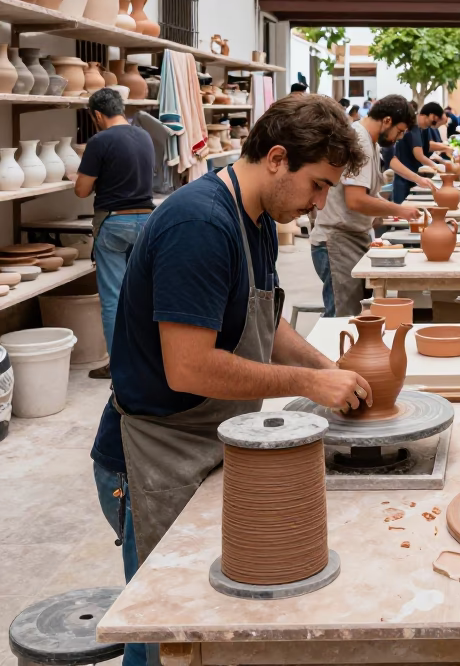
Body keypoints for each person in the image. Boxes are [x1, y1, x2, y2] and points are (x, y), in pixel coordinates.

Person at [90, 94, 372, 666]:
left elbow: (261, 324)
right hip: (155, 449)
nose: (320, 203)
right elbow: (188, 366)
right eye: (318, 185)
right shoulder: (201, 224)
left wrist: (327, 367)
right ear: (275, 158)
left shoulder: (260, 218)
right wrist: (311, 387)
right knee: (165, 627)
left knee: (210, 619)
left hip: (210, 435)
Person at [311, 95, 421, 316]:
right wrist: (400, 210)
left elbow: (363, 195)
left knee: (353, 315)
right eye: (399, 131)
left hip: (352, 237)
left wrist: (383, 213)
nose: (399, 138)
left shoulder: (370, 142)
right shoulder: (358, 140)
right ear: (387, 120)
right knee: (342, 318)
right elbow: (356, 200)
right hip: (337, 240)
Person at [74, 88, 155, 380]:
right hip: (147, 222)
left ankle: (119, 366)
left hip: (114, 223)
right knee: (143, 295)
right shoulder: (144, 136)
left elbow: (81, 189)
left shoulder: (100, 140)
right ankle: (148, 360)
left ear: (97, 115)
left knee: (112, 298)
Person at [389, 104, 444, 203]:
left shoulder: (424, 129)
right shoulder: (413, 127)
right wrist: (437, 166)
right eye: (436, 119)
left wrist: (443, 154)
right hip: (403, 175)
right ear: (431, 115)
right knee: (401, 209)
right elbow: (419, 155)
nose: (435, 123)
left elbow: (427, 148)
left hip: (414, 174)